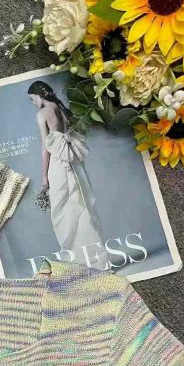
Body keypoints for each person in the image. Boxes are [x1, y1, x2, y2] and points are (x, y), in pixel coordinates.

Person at [28, 80, 109, 270]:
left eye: (32, 99)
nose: (33, 103)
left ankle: (80, 260)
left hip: (59, 163)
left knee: (64, 209)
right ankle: (94, 258)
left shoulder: (42, 114)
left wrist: (44, 176)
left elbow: (45, 148)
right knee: (81, 204)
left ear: (39, 95)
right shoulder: (61, 109)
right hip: (73, 160)